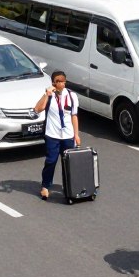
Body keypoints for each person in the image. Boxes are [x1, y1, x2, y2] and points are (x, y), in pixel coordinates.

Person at [34, 71, 80, 201]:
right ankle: (45, 186)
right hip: (52, 135)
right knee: (51, 161)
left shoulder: (71, 96)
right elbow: (37, 109)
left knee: (68, 163)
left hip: (68, 135)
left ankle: (69, 186)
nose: (61, 84)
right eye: (58, 81)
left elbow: (74, 116)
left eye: (63, 81)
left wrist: (76, 135)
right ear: (53, 83)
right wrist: (47, 94)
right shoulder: (49, 96)